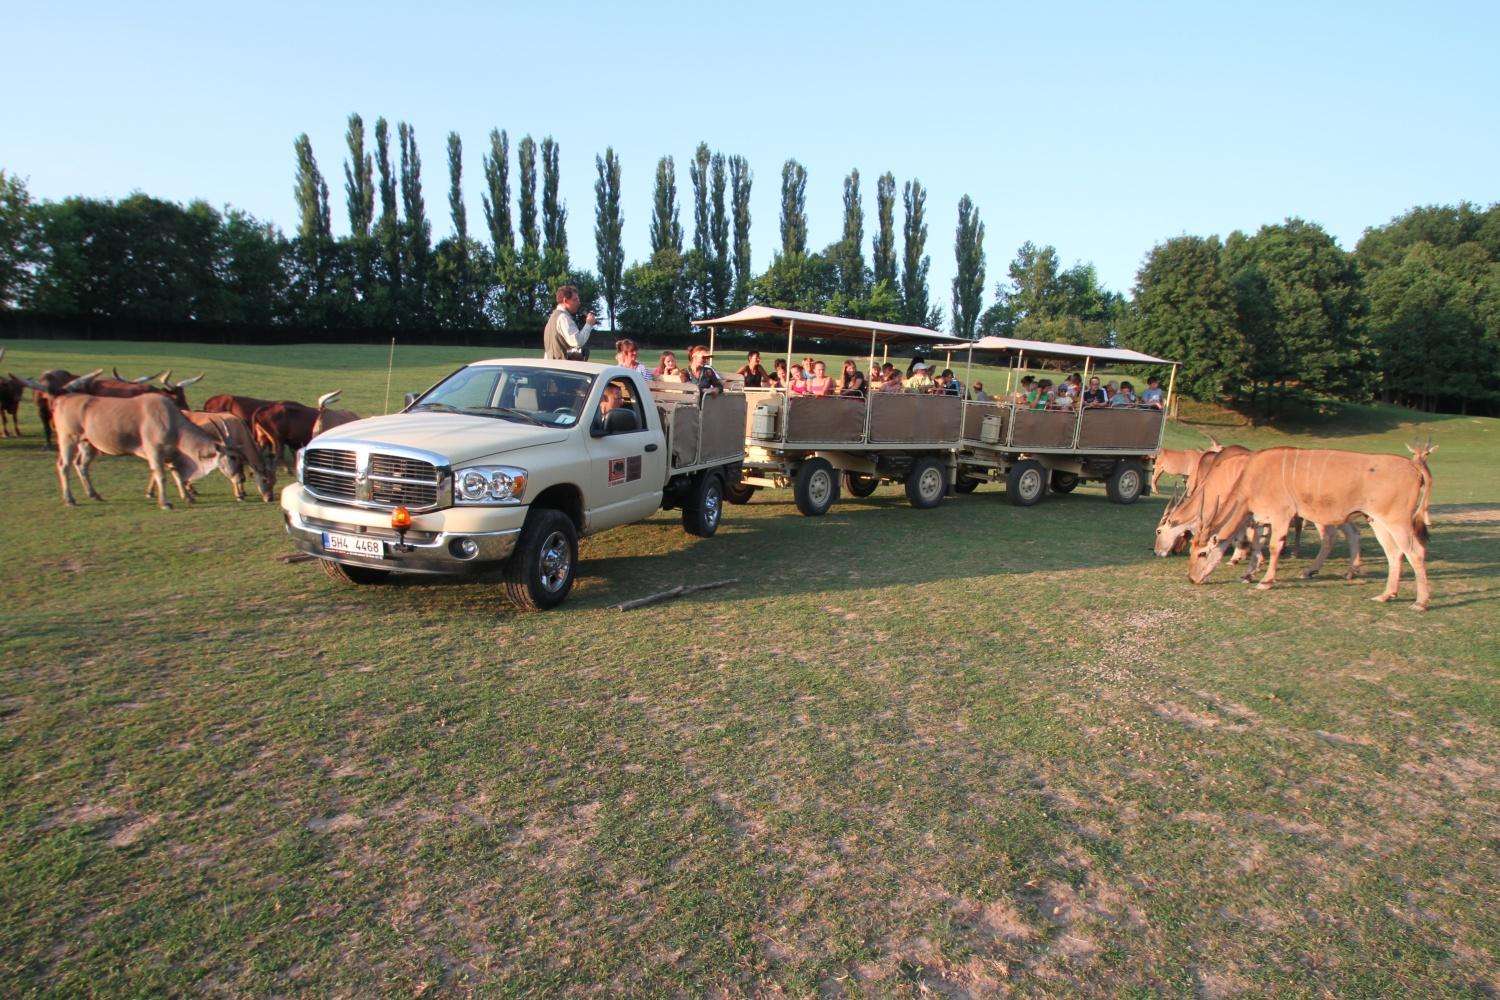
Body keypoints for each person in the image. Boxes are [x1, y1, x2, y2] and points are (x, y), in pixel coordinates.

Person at [542, 285, 596, 360]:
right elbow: (577, 341)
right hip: (561, 368)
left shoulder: (553, 317)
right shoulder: (563, 318)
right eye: (575, 300)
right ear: (565, 301)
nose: (578, 303)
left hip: (550, 367)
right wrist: (589, 324)